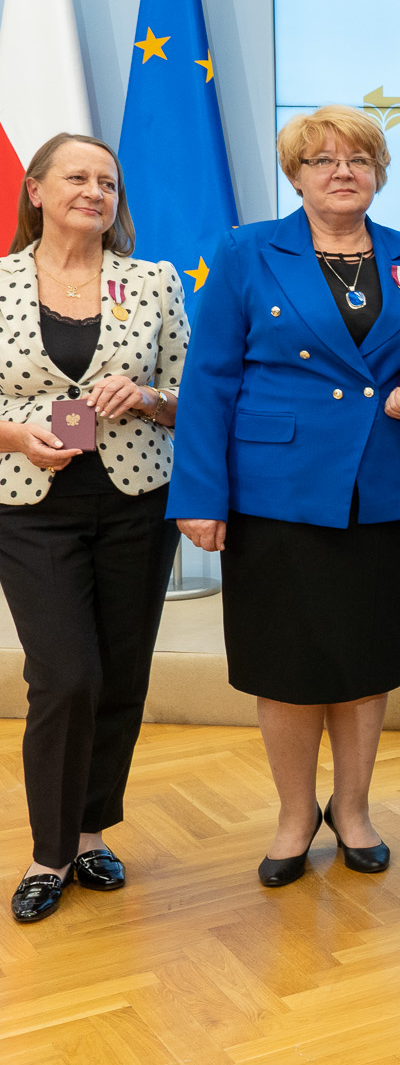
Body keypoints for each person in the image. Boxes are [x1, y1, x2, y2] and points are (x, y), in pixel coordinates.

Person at [169, 107, 400, 889]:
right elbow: (209, 380)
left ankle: (354, 810)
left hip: (384, 488)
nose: (343, 171)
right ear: (296, 175)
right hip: (277, 493)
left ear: (379, 174)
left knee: (367, 660)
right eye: (323, 160)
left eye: (359, 159)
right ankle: (295, 815)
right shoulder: (247, 251)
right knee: (286, 664)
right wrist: (200, 495)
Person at [0, 135, 184, 924]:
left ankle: (89, 833)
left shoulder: (152, 281)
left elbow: (189, 395)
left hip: (137, 500)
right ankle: (48, 853)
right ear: (36, 190)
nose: (94, 191)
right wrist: (15, 434)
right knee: (66, 674)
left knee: (120, 674)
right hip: (30, 506)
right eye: (76, 176)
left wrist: (145, 397)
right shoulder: (0, 283)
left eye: (107, 181)